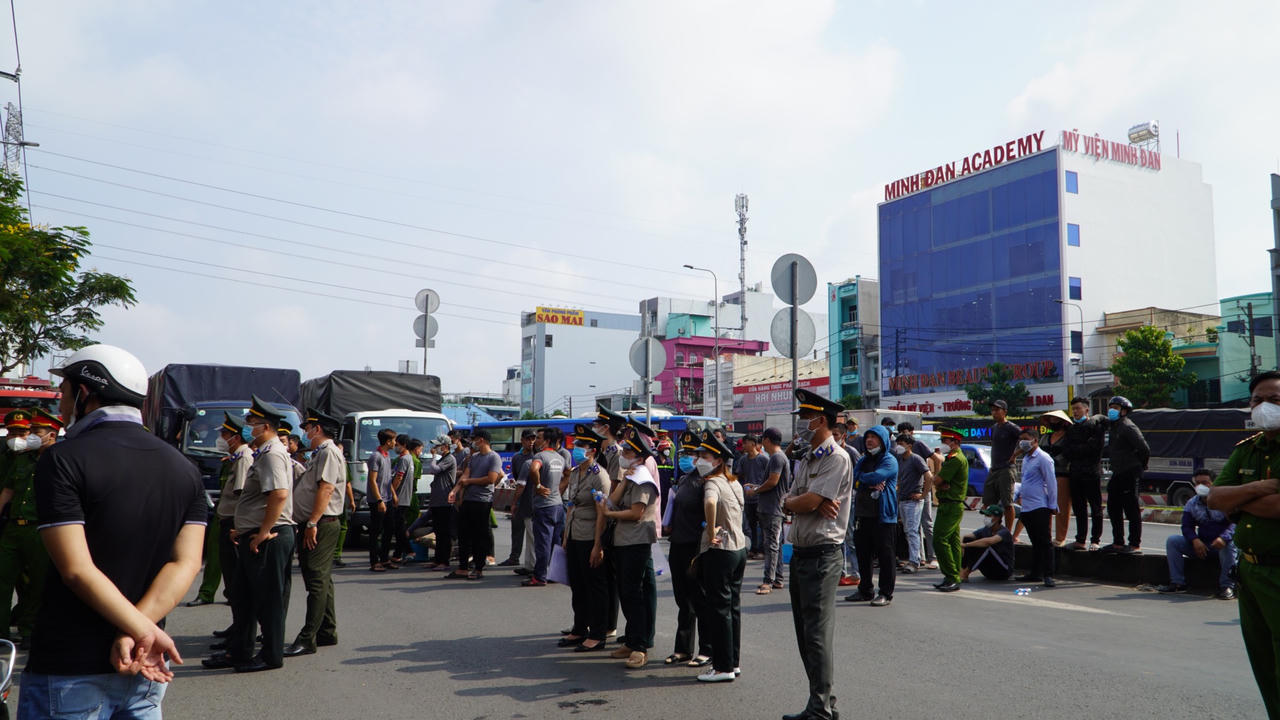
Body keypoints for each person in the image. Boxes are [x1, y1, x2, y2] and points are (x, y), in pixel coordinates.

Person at [22, 345, 205, 717]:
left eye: (65, 392)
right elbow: (186, 563)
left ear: (85, 393)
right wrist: (141, 630)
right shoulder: (183, 467)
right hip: (144, 663)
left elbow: (77, 570)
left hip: (70, 667)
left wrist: (139, 631)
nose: (61, 404)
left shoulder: (62, 460)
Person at [1207, 370, 1280, 716]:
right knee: (1263, 661)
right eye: (1257, 400)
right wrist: (1257, 489)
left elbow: (1277, 506)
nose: (1264, 406)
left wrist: (1237, 498)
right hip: (1249, 572)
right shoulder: (1247, 449)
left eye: (1275, 400)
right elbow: (1214, 498)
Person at [206, 395, 296, 673]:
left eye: (252, 423)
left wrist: (262, 531)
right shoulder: (262, 453)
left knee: (268, 601)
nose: (248, 428)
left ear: (265, 426)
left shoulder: (272, 453)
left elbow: (279, 495)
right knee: (243, 597)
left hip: (269, 536)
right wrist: (242, 528)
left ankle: (270, 656)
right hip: (252, 533)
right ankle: (240, 652)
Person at [781, 389, 853, 720]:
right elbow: (790, 499)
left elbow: (805, 502)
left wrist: (808, 500)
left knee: (817, 635)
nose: (801, 425)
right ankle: (825, 701)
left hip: (823, 555)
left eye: (806, 419)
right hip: (802, 552)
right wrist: (805, 501)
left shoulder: (836, 458)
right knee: (804, 633)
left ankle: (820, 709)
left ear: (820, 420)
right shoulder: (808, 457)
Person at [284, 408, 346, 657]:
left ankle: (308, 637)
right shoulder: (321, 452)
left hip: (322, 523)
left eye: (308, 428)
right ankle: (327, 631)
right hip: (318, 521)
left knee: (316, 582)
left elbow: (326, 489)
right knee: (321, 579)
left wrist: (312, 523)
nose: (305, 432)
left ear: (317, 429)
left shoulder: (329, 452)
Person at [597, 428, 660, 669]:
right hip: (623, 541)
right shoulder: (632, 475)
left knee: (635, 595)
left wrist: (609, 513)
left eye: (627, 451)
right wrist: (624, 479)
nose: (622, 453)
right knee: (626, 592)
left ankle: (640, 647)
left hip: (636, 541)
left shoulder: (643, 478)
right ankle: (632, 641)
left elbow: (636, 512)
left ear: (638, 455)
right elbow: (613, 498)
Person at [0, 408, 56, 648]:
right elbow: (8, 490)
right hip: (13, 528)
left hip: (40, 530)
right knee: (2, 580)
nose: (31, 435)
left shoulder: (59, 459)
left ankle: (29, 630)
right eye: (30, 431)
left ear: (52, 434)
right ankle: (2, 632)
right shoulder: (23, 458)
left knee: (36, 583)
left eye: (36, 431)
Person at [694, 431, 746, 683]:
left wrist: (711, 528)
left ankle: (722, 667)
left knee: (719, 611)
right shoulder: (733, 482)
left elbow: (711, 504)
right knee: (732, 609)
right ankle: (733, 663)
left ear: (717, 460)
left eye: (704, 456)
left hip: (721, 551)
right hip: (738, 549)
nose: (698, 460)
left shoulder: (713, 482)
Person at [662, 430, 713, 667]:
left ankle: (707, 649)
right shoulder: (683, 480)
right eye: (683, 453)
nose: (685, 458)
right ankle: (682, 648)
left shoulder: (705, 482)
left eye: (691, 453)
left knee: (700, 599)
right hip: (678, 543)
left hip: (695, 545)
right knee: (683, 599)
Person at [561, 425, 612, 653]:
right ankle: (579, 628)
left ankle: (598, 634)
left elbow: (603, 512)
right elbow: (570, 506)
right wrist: (565, 537)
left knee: (595, 586)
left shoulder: (599, 476)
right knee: (577, 585)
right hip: (574, 535)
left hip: (590, 537)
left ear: (592, 450)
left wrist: (597, 545)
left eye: (581, 446)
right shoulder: (575, 473)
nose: (576, 448)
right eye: (576, 444)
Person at [1158, 469, 1236, 598]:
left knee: (1229, 545)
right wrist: (1195, 540)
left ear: (1214, 484)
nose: (1201, 486)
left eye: (1205, 483)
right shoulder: (1192, 503)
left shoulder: (1225, 501)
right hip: (1203, 546)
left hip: (1222, 546)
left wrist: (1223, 538)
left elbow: (1235, 524)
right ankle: (1177, 583)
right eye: (1198, 483)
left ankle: (1227, 586)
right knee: (1173, 541)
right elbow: (1187, 526)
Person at [845, 423, 898, 606]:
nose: (869, 440)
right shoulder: (863, 460)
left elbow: (877, 476)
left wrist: (865, 479)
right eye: (867, 437)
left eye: (873, 437)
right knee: (863, 554)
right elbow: (853, 478)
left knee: (885, 556)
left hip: (883, 516)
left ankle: (885, 593)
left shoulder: (889, 460)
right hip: (862, 514)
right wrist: (866, 479)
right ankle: (865, 590)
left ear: (882, 441)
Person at [447, 429, 502, 580]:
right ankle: (463, 567)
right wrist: (455, 490)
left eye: (475, 439)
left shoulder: (494, 457)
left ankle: (478, 568)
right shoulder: (475, 457)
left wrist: (469, 482)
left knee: (480, 536)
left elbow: (491, 479)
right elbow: (465, 475)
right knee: (464, 535)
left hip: (482, 502)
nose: (472, 442)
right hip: (468, 500)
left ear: (482, 440)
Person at [1102, 395, 1149, 554]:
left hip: (1130, 471)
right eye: (1111, 407)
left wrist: (1140, 466)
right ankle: (1118, 543)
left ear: (1124, 411)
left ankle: (1135, 544)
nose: (1112, 411)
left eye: (1116, 408)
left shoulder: (1128, 427)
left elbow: (1144, 449)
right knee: (1113, 507)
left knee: (1131, 509)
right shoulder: (1114, 426)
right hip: (1118, 472)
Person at [1014, 426, 1058, 588]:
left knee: (1045, 542)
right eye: (1020, 440)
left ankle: (1048, 575)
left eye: (1025, 439)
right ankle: (1035, 573)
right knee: (1035, 542)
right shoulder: (1026, 458)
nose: (1022, 443)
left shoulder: (1044, 458)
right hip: (1027, 506)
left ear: (1035, 440)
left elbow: (1052, 483)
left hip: (1040, 505)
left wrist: (1053, 505)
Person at [524, 427, 567, 587]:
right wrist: (559, 489)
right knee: (556, 542)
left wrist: (538, 485)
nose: (537, 442)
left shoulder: (540, 456)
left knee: (543, 542)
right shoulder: (560, 458)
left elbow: (533, 468)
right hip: (557, 504)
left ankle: (539, 577)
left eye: (540, 439)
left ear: (547, 441)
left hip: (544, 506)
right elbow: (568, 473)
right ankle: (554, 574)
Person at [753, 427, 791, 594]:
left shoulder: (776, 457)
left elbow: (773, 481)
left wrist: (754, 490)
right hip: (771, 507)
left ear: (767, 440)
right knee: (776, 544)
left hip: (773, 508)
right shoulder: (777, 457)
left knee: (771, 545)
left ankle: (768, 581)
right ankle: (778, 579)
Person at [1065, 396, 1106, 550]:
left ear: (1086, 409)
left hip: (1091, 471)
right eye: (1073, 409)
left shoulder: (1096, 426)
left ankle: (1095, 540)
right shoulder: (1071, 428)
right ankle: (1080, 539)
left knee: (1095, 507)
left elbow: (1094, 449)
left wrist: (1079, 449)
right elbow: (1067, 451)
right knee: (1079, 507)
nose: (1075, 412)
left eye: (1078, 408)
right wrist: (1081, 448)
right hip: (1075, 472)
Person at [933, 427, 970, 592]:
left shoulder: (955, 459)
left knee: (939, 539)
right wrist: (941, 483)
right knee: (953, 541)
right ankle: (954, 574)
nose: (942, 444)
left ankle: (951, 576)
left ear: (955, 442)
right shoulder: (953, 457)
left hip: (950, 505)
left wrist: (939, 481)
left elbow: (937, 480)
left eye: (945, 441)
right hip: (951, 504)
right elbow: (940, 482)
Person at [893, 434, 932, 574]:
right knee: (907, 531)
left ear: (909, 445)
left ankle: (914, 562)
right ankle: (915, 557)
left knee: (912, 531)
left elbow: (929, 476)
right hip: (902, 500)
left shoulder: (916, 459)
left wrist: (923, 495)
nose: (899, 446)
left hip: (913, 501)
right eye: (898, 443)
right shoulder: (900, 460)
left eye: (901, 443)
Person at [499, 430, 537, 567]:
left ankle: (532, 564)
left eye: (533, 439)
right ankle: (514, 557)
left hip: (533, 500)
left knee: (532, 535)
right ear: (522, 440)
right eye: (528, 439)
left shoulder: (537, 456)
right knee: (517, 530)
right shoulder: (517, 457)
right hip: (521, 498)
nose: (531, 442)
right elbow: (516, 479)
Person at [831, 422, 861, 589]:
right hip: (835, 500)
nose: (833, 438)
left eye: (836, 434)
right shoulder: (830, 453)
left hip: (849, 500)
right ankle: (841, 572)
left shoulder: (851, 452)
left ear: (843, 436)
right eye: (831, 434)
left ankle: (856, 573)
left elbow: (859, 475)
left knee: (850, 537)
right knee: (838, 538)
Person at [423, 435, 458, 571]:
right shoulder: (443, 458)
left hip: (445, 501)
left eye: (438, 446)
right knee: (438, 532)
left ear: (446, 446)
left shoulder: (450, 459)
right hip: (437, 501)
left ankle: (444, 561)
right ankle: (437, 560)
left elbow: (434, 469)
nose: (435, 448)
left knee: (444, 533)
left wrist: (433, 457)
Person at [1039, 410, 1073, 546]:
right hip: (1044, 475)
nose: (1053, 421)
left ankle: (1060, 538)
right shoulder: (1045, 437)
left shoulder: (1068, 438)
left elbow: (1068, 454)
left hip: (1062, 474)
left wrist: (1053, 461)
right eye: (1051, 419)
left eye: (1056, 419)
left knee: (1062, 507)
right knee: (1044, 507)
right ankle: (1045, 536)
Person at [986, 400, 1021, 530]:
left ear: (1005, 412)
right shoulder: (994, 427)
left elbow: (1028, 440)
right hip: (994, 468)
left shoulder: (1011, 427)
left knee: (1007, 503)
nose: (994, 412)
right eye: (993, 410)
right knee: (989, 503)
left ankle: (1008, 532)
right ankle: (994, 528)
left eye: (997, 410)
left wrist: (1015, 455)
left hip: (1006, 469)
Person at [366, 428, 397, 572]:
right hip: (377, 500)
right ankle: (374, 561)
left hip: (388, 498)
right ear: (388, 441)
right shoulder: (376, 456)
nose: (395, 443)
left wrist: (393, 495)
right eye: (393, 440)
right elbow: (372, 480)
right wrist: (379, 500)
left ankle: (385, 559)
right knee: (375, 531)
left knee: (389, 529)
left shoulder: (387, 456)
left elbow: (388, 479)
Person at [960, 504, 1015, 582]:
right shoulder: (986, 529)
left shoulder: (1004, 532)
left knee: (985, 545)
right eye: (985, 515)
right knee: (968, 540)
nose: (986, 518)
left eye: (989, 516)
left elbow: (990, 541)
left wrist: (966, 545)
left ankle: (965, 573)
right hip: (988, 570)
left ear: (997, 518)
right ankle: (962, 570)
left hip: (1003, 570)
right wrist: (961, 542)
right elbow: (967, 537)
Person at [736, 434, 767, 559]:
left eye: (746, 443)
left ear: (753, 444)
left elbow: (770, 478)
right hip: (748, 499)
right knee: (751, 525)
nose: (743, 446)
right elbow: (739, 476)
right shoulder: (743, 460)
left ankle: (762, 550)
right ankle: (753, 549)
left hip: (761, 498)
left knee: (762, 525)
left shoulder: (763, 460)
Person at [389, 435, 415, 564]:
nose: (395, 446)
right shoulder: (409, 458)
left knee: (399, 527)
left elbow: (398, 477)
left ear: (404, 445)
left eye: (397, 444)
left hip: (400, 498)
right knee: (399, 526)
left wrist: (392, 492)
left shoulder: (404, 459)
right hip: (404, 498)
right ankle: (398, 554)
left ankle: (409, 550)